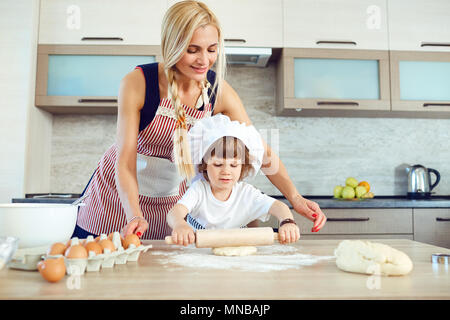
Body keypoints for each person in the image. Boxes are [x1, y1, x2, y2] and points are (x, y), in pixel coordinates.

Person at [72, 0, 326, 240]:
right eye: (192, 50)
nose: (204, 60)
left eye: (211, 49)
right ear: (172, 45)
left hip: (170, 203)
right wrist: (134, 213)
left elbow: (261, 149)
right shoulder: (139, 83)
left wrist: (295, 197)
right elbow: (125, 161)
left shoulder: (218, 90)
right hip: (117, 200)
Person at [167, 115, 300, 246]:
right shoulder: (199, 190)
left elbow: (278, 206)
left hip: (237, 256)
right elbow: (175, 212)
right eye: (218, 164)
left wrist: (287, 221)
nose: (226, 171)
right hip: (198, 253)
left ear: (243, 166)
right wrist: (180, 224)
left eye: (234, 165)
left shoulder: (246, 193)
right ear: (204, 165)